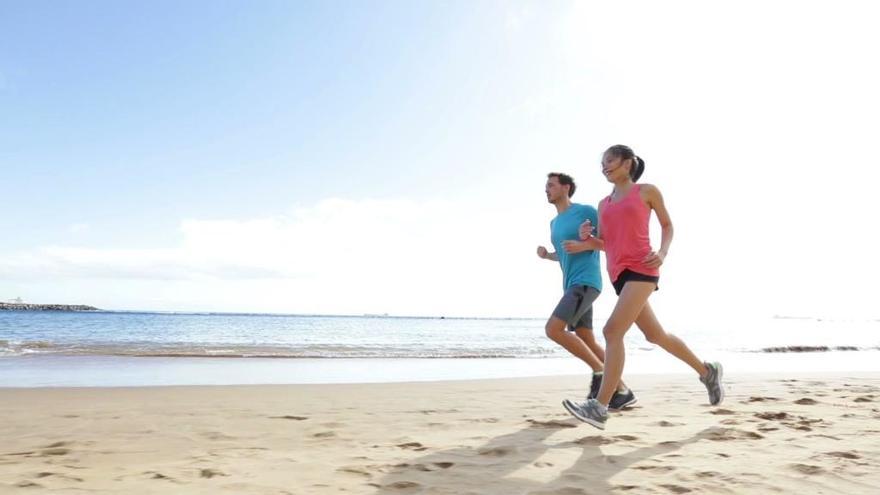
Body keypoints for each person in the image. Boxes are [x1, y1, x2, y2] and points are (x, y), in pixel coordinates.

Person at [562, 145, 724, 430]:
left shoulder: (646, 191)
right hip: (619, 275)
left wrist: (662, 253)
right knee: (655, 335)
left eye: (610, 160)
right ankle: (706, 371)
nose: (605, 166)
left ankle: (599, 406)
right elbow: (607, 243)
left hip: (643, 268)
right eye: (602, 163)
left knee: (612, 331)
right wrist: (588, 239)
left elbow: (668, 226)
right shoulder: (603, 204)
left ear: (627, 163)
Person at [538, 172, 636, 410]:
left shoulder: (586, 211)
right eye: (546, 186)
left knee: (553, 329)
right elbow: (564, 253)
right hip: (572, 283)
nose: (546, 189)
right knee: (586, 338)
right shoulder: (554, 223)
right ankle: (622, 390)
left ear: (566, 187)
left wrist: (584, 243)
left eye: (551, 185)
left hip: (586, 282)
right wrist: (548, 256)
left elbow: (609, 241)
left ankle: (600, 373)